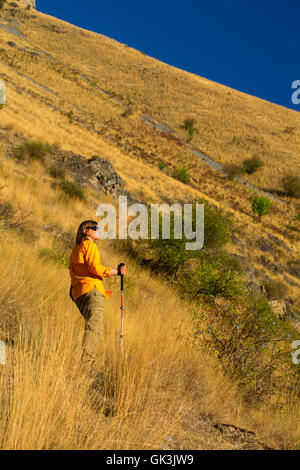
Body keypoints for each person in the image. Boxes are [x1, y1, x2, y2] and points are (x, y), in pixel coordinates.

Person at [69, 220, 126, 367]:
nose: (98, 230)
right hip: (92, 290)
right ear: (85, 231)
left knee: (91, 325)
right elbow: (96, 268)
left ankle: (84, 360)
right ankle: (85, 365)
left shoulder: (76, 249)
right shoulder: (90, 245)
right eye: (95, 228)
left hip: (79, 292)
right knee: (94, 327)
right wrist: (116, 271)